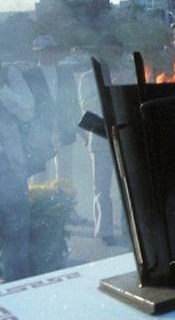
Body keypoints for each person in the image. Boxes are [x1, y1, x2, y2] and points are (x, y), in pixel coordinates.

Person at [78, 36, 130, 246]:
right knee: (101, 187)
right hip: (99, 136)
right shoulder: (87, 77)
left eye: (116, 51)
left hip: (125, 135)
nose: (112, 55)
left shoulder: (129, 72)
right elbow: (87, 104)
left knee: (126, 187)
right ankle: (104, 229)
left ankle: (128, 227)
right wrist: (111, 90)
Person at [23, 35, 80, 185]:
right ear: (37, 53)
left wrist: (81, 126)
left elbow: (74, 101)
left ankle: (67, 205)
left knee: (65, 172)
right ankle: (41, 205)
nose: (49, 54)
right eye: (45, 51)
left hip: (64, 127)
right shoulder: (28, 75)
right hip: (39, 131)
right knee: (41, 172)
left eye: (51, 50)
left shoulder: (65, 72)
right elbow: (25, 105)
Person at [0, 65, 36, 281]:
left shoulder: (7, 73)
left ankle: (17, 283)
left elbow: (27, 111)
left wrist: (2, 89)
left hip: (8, 164)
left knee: (17, 228)